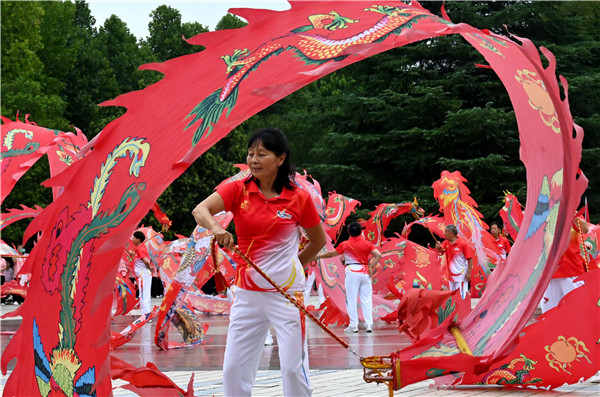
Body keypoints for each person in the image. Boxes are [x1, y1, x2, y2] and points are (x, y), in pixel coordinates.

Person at [192, 127, 327, 397]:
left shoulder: (298, 198)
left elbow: (318, 240)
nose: (253, 159)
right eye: (250, 153)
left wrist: (295, 266)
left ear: (280, 159)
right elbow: (200, 210)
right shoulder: (237, 190)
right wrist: (217, 229)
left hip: (287, 296)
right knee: (233, 370)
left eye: (261, 154)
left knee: (292, 369)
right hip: (247, 294)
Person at [315, 222, 381, 333]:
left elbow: (331, 254)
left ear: (349, 232)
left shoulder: (345, 244)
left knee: (351, 299)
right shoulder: (367, 244)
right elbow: (378, 255)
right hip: (365, 271)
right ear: (360, 232)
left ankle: (353, 325)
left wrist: (318, 256)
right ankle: (369, 324)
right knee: (366, 299)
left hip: (352, 271)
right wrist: (371, 266)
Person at [541, 215, 590, 313]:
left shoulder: (570, 211)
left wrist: (575, 217)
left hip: (571, 271)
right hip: (550, 274)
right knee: (549, 315)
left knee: (578, 311)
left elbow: (585, 229)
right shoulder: (544, 214)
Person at [435, 225, 474, 299]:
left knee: (461, 293)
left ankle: (464, 309)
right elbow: (441, 251)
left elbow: (470, 259)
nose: (444, 234)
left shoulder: (463, 244)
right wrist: (438, 247)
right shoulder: (446, 243)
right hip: (451, 274)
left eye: (446, 232)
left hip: (461, 273)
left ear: (451, 233)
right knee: (452, 294)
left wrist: (469, 273)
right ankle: (456, 309)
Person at [126, 231, 153, 320]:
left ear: (138, 239)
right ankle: (146, 313)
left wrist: (150, 268)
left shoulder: (141, 249)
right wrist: (128, 251)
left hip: (143, 275)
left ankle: (146, 314)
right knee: (143, 294)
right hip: (142, 275)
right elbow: (136, 255)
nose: (132, 239)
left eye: (134, 238)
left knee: (144, 295)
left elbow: (146, 261)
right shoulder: (139, 248)